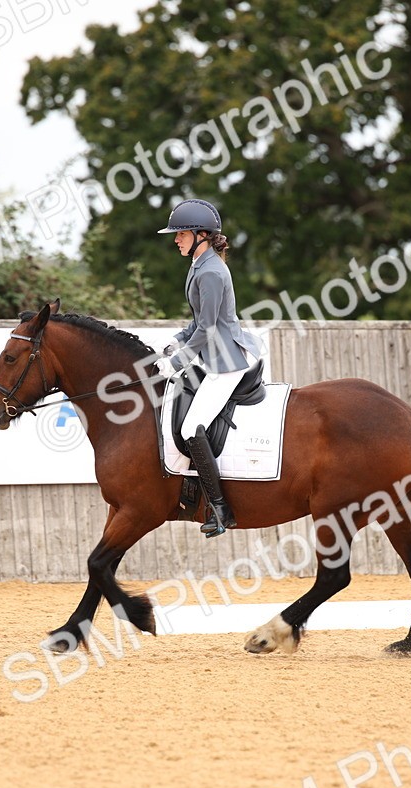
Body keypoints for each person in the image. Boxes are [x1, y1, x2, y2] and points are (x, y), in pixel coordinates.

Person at [154, 199, 262, 538]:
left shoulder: (212, 271)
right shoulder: (200, 265)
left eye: (181, 234)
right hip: (211, 357)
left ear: (201, 235)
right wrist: (176, 340)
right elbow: (198, 321)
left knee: (191, 428)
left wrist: (175, 362)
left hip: (226, 363)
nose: (176, 239)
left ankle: (220, 508)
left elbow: (208, 329)